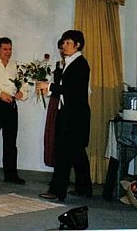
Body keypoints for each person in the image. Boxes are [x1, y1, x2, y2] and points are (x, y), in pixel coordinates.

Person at [38, 30, 92, 202]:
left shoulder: (81, 64)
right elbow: (64, 88)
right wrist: (56, 77)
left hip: (74, 116)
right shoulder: (70, 63)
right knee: (77, 154)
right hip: (70, 114)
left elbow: (72, 91)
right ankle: (84, 189)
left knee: (63, 153)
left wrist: (50, 86)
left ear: (77, 45)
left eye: (67, 43)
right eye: (63, 43)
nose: (63, 46)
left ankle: (57, 191)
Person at [0, 37, 28, 185]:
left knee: (10, 141)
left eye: (10, 49)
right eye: (5, 49)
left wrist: (22, 93)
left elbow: (23, 84)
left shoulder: (16, 66)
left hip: (10, 107)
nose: (8, 52)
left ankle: (11, 174)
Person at [43, 39, 64, 167]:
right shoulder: (56, 65)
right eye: (61, 48)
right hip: (55, 103)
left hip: (68, 104)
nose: (63, 50)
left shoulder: (76, 66)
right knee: (53, 135)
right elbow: (49, 86)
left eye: (65, 46)